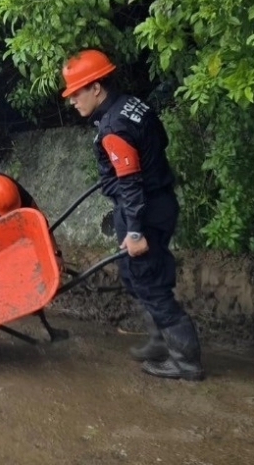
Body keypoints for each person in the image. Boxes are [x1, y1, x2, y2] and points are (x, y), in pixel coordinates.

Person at [61, 48, 204, 381]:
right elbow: (162, 141)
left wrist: (135, 232)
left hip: (143, 210)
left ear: (96, 87)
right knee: (132, 273)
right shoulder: (134, 105)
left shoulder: (114, 126)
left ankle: (186, 361)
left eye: (76, 92)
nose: (72, 101)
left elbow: (130, 180)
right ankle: (159, 341)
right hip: (157, 202)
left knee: (149, 282)